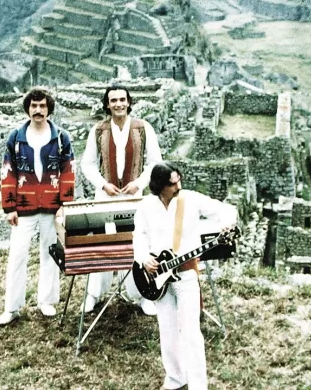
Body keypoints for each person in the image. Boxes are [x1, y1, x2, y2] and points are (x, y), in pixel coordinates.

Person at [133, 162, 237, 390]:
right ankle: (175, 378)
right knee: (167, 330)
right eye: (173, 183)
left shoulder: (190, 199)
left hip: (186, 274)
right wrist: (143, 258)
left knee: (190, 332)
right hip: (158, 278)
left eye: (179, 179)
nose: (178, 185)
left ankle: (198, 385)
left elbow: (225, 210)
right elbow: (138, 235)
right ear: (160, 186)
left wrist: (227, 225)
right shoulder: (146, 206)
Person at [0, 87, 75, 326]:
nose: (38, 110)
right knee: (18, 255)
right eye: (33, 106)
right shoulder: (16, 137)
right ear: (28, 108)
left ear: (48, 108)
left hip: (52, 206)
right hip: (24, 206)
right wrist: (9, 207)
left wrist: (65, 204)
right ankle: (12, 307)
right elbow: (8, 172)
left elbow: (68, 172)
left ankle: (46, 301)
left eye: (42, 106)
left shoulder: (61, 137)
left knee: (50, 252)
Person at [80, 85, 162, 316]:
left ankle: (141, 295)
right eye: (113, 100)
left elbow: (154, 162)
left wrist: (140, 183)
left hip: (134, 198)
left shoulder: (143, 128)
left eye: (122, 100)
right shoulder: (98, 130)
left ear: (129, 102)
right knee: (102, 244)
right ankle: (94, 295)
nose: (118, 104)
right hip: (106, 198)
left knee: (137, 244)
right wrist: (103, 184)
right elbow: (87, 164)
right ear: (107, 104)